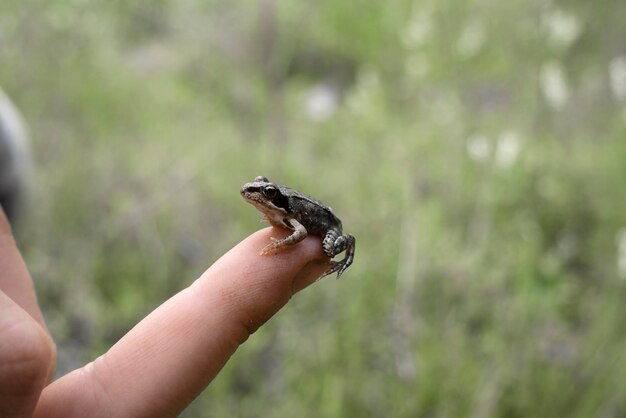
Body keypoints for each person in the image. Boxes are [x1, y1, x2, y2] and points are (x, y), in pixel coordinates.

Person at [0, 208, 330, 417]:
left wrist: (276, 246)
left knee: (327, 246)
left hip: (324, 225)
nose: (256, 194)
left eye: (268, 194)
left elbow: (301, 235)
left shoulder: (295, 218)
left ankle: (340, 256)